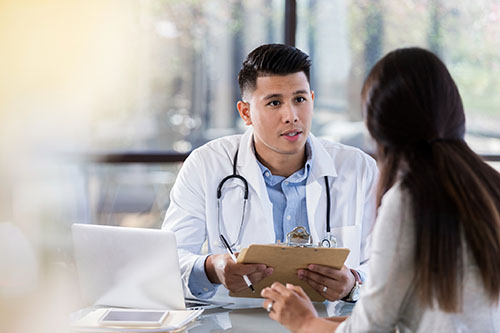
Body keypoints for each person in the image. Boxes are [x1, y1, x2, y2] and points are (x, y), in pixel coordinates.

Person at [261, 47, 500, 332]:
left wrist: (303, 321)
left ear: (376, 126)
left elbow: (370, 330)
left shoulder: (409, 199)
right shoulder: (487, 185)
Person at [162, 44, 378, 304]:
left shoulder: (358, 168)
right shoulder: (205, 165)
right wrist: (213, 269)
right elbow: (168, 262)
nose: (291, 116)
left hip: (327, 325)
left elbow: (389, 266)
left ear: (312, 99)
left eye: (300, 99)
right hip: (236, 324)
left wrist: (354, 284)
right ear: (246, 112)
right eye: (275, 103)